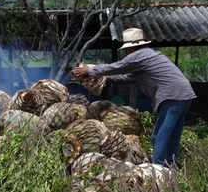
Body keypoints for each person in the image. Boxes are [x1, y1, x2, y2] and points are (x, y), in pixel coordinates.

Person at [73, 27, 196, 167]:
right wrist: (107, 78)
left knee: (160, 136)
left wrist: (89, 70)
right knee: (172, 135)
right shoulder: (149, 56)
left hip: (172, 97)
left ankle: (160, 171)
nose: (125, 52)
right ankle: (172, 167)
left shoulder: (139, 56)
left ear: (132, 48)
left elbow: (117, 67)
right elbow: (128, 77)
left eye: (126, 49)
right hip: (184, 95)